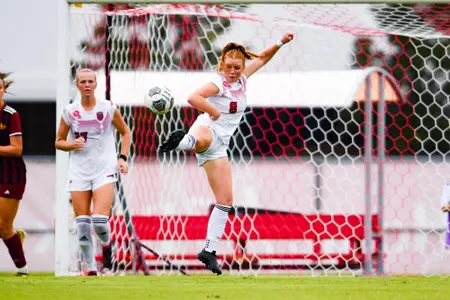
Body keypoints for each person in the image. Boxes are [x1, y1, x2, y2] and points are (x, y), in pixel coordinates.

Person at [160, 32, 294, 275]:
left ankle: (208, 251)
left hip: (222, 144)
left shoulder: (242, 79)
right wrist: (214, 111)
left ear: (242, 67)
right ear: (222, 65)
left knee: (225, 201)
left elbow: (262, 58)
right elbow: (193, 97)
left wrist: (281, 42)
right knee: (202, 139)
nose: (233, 71)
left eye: (237, 67)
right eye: (229, 67)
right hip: (208, 128)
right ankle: (179, 142)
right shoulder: (217, 83)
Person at [55, 68, 131, 276]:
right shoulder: (70, 111)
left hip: (104, 168)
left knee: (99, 221)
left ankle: (106, 241)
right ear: (77, 85)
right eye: (83, 82)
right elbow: (58, 142)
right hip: (79, 171)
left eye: (90, 81)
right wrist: (72, 145)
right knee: (81, 224)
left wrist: (122, 158)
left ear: (96, 84)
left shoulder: (107, 108)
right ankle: (89, 268)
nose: (87, 85)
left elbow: (125, 132)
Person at [0, 72, 29, 276]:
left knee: (3, 226)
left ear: (4, 90)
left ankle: (23, 269)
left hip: (10, 175)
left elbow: (16, 149)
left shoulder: (10, 114)